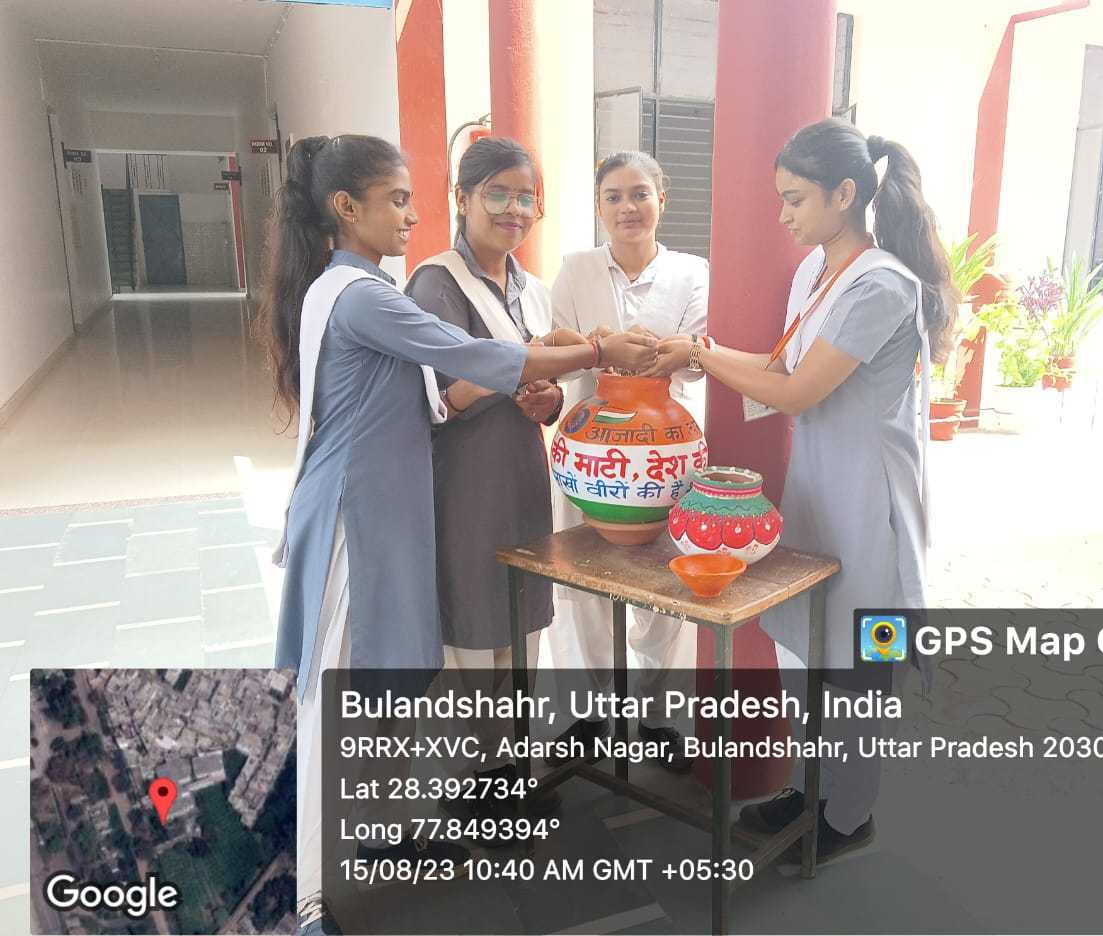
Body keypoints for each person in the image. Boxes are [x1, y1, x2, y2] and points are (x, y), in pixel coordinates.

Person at [259, 134, 656, 936]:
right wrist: (597, 350)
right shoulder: (365, 295)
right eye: (397, 199)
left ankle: (382, 834)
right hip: (352, 518)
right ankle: (304, 898)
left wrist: (538, 383)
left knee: (388, 685)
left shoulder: (364, 286)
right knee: (334, 700)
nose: (411, 215)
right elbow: (471, 361)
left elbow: (435, 396)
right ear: (345, 208)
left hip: (389, 512)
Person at [644, 118, 957, 862]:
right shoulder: (814, 272)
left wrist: (700, 355)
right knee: (805, 646)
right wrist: (699, 353)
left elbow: (796, 391)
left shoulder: (881, 284)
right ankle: (813, 789)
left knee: (860, 663)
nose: (782, 215)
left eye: (795, 199)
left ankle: (849, 815)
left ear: (845, 194)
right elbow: (784, 369)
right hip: (818, 489)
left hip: (871, 503)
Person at [405, 137, 628, 835]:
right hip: (466, 484)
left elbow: (542, 387)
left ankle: (504, 770)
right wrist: (528, 367)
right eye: (496, 194)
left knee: (518, 632)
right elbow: (444, 392)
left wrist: (545, 398)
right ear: (462, 199)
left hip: (522, 479)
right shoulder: (437, 284)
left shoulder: (529, 289)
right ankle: (460, 785)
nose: (513, 209)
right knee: (471, 635)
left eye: (525, 197)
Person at [547, 151, 709, 773]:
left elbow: (695, 358)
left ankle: (659, 716)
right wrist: (605, 350)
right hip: (590, 450)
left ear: (662, 199)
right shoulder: (576, 269)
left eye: (640, 193)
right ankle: (588, 714)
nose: (627, 208)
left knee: (667, 579)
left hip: (665, 450)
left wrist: (629, 353)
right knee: (580, 575)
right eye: (613, 196)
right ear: (598, 207)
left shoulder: (692, 272)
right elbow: (559, 346)